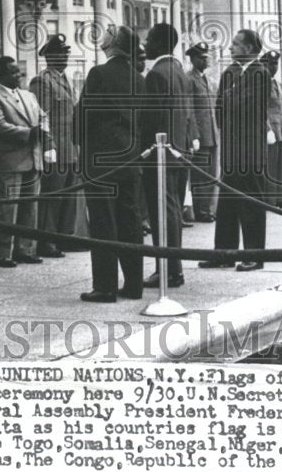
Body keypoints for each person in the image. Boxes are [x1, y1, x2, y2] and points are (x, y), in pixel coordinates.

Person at [76, 25, 145, 303]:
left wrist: (81, 144)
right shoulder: (138, 77)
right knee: (131, 222)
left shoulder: (99, 73)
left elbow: (84, 115)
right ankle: (133, 284)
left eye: (107, 32)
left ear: (112, 44)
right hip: (130, 161)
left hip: (102, 162)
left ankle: (104, 287)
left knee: (104, 222)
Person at [200, 29, 271, 272]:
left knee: (251, 201)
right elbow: (219, 108)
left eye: (236, 44)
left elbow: (244, 105)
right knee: (227, 203)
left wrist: (230, 98)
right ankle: (224, 253)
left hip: (251, 151)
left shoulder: (261, 73)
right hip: (231, 148)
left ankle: (254, 255)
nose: (230, 48)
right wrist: (231, 100)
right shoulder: (230, 72)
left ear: (250, 49)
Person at [140, 23, 198, 290]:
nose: (145, 44)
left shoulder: (156, 74)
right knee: (173, 210)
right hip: (179, 152)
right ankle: (173, 269)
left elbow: (151, 120)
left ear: (160, 43)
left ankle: (168, 271)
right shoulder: (179, 72)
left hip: (160, 155)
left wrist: (143, 151)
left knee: (162, 212)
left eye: (150, 39)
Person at [0, 56, 55, 268]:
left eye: (19, 72)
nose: (18, 76)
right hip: (11, 161)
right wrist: (31, 134)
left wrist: (45, 137)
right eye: (13, 72)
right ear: (1, 75)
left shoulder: (29, 96)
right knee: (9, 209)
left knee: (29, 207)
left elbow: (43, 117)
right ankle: (4, 252)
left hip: (33, 158)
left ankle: (25, 249)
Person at [29, 34, 78, 259]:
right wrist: (48, 144)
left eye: (66, 52)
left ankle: (63, 238)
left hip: (69, 147)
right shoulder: (43, 81)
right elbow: (41, 116)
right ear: (49, 56)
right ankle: (47, 241)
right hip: (55, 148)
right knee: (53, 195)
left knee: (68, 196)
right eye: (60, 53)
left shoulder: (65, 79)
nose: (65, 56)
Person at [185, 41, 219, 222]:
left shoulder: (206, 79)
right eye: (202, 58)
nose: (206, 61)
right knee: (200, 175)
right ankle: (202, 210)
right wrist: (194, 136)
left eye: (207, 57)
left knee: (211, 174)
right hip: (200, 136)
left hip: (211, 134)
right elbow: (189, 109)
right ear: (193, 59)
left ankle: (208, 208)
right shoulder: (189, 79)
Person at [261, 50, 282, 206]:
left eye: (276, 64)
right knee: (271, 167)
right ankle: (270, 199)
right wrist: (267, 129)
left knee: (280, 165)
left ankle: (279, 198)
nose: (274, 67)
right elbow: (261, 108)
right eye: (271, 64)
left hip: (280, 127)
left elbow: (281, 109)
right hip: (270, 129)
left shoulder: (276, 83)